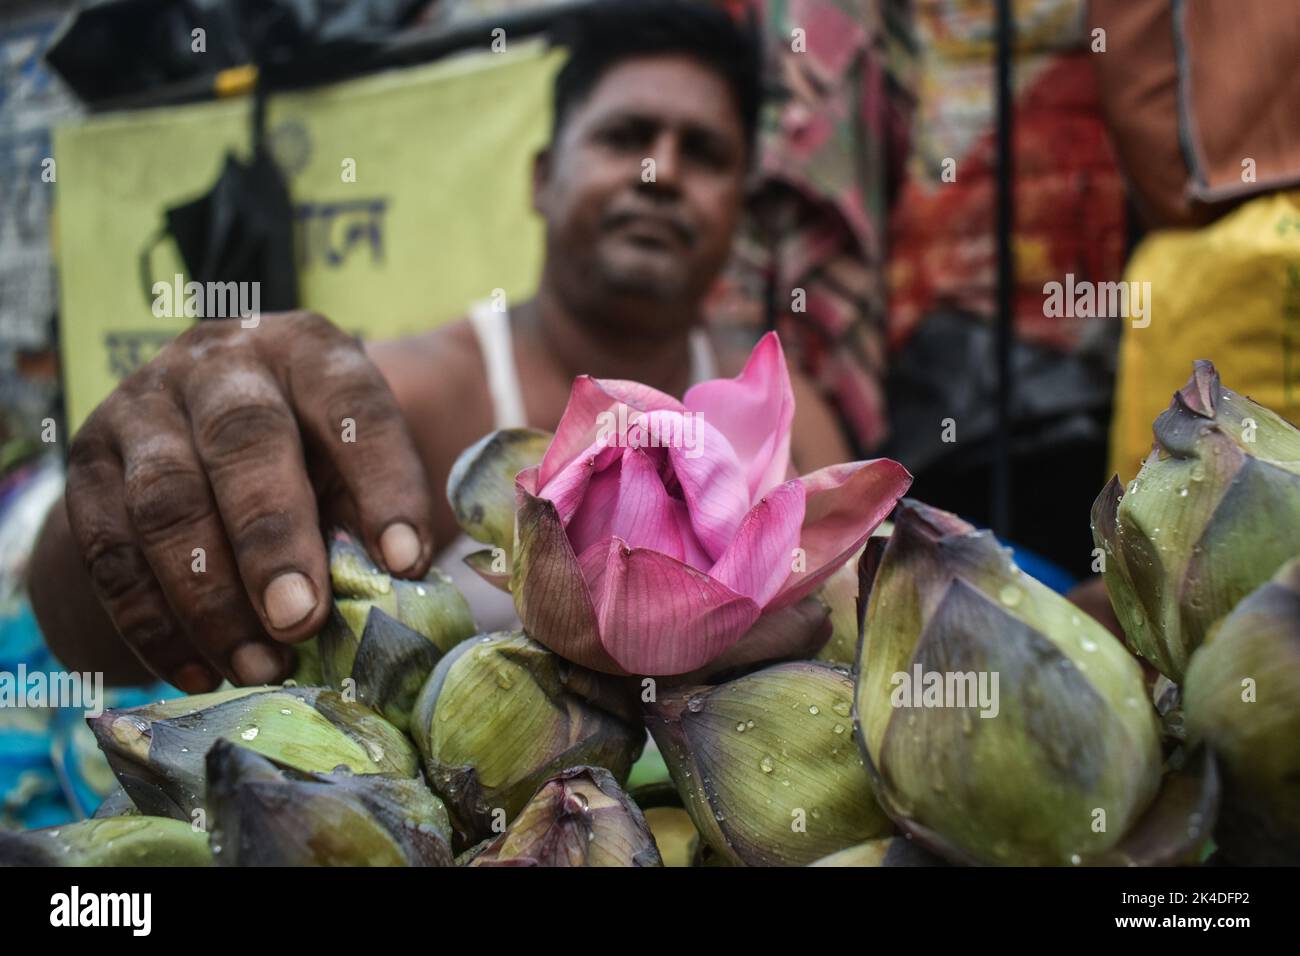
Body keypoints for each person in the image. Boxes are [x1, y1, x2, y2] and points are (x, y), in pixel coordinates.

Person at [28, 0, 853, 694]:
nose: (659, 172)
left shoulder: (790, 419)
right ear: (540, 177)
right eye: (625, 137)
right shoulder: (407, 398)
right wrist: (135, 473)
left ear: (739, 212)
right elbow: (92, 634)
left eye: (702, 153)